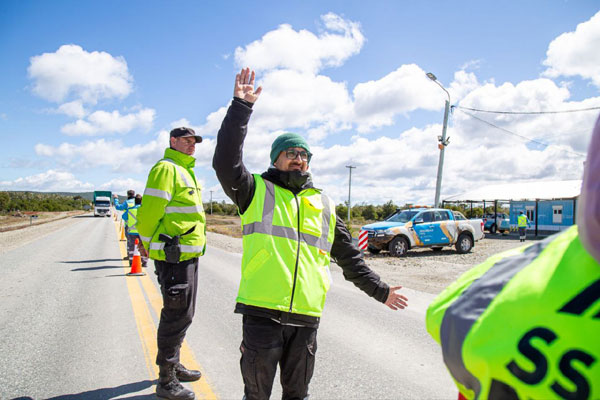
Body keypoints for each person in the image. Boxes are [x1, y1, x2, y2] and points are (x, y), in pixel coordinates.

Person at [213, 68, 409, 400]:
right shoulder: (254, 190)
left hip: (306, 318)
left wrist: (382, 291)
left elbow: (351, 261)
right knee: (256, 395)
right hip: (262, 313)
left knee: (298, 395)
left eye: (304, 155)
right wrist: (241, 108)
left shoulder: (325, 205)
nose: (298, 159)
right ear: (276, 158)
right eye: (291, 153)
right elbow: (225, 161)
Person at [425, 115, 600, 400]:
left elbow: (443, 316)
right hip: (523, 233)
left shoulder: (501, 281)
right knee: (520, 235)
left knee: (521, 237)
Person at [137, 127, 207, 400]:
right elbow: (149, 211)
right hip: (173, 255)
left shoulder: (185, 170)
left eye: (194, 141)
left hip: (188, 254)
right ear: (173, 141)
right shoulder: (166, 169)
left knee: (185, 314)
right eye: (186, 140)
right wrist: (145, 242)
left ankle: (174, 365)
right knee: (175, 315)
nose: (192, 144)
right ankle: (166, 380)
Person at [125, 194, 148, 267]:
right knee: (143, 246)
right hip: (142, 231)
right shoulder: (144, 210)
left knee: (132, 247)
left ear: (135, 201)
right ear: (142, 201)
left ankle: (131, 262)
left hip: (132, 232)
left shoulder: (130, 210)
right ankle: (144, 262)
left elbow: (124, 217)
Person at [114, 189, 136, 259]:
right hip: (139, 225)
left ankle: (130, 256)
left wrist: (116, 199)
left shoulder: (127, 202)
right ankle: (140, 256)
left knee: (130, 241)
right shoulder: (139, 201)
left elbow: (118, 207)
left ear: (128, 195)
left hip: (129, 225)